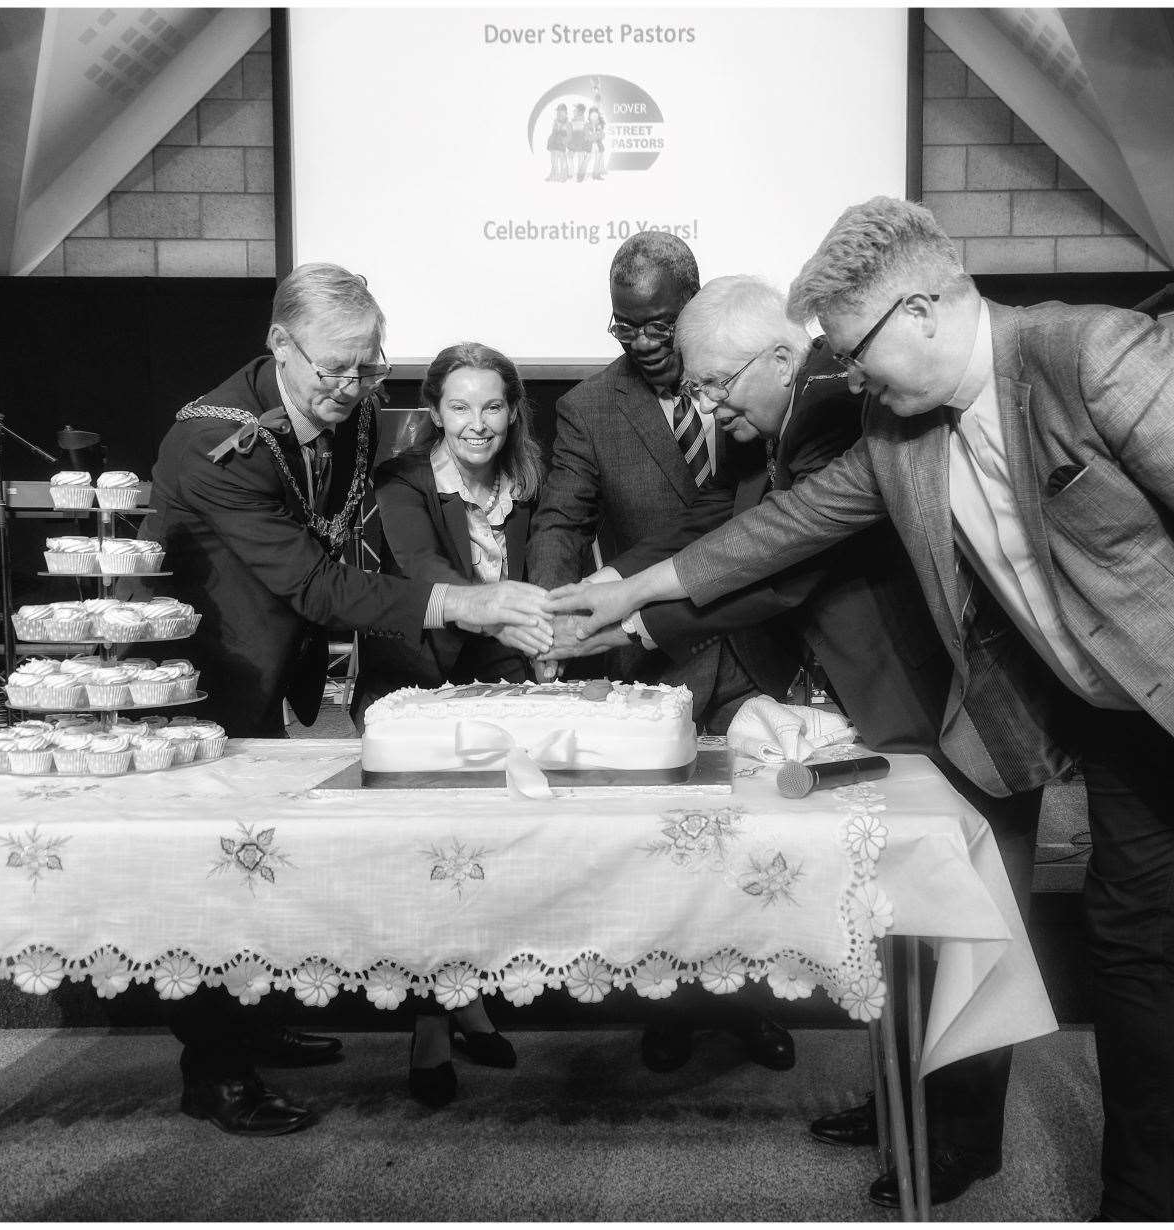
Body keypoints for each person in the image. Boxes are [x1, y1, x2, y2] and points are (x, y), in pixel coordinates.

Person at [548, 197, 1174, 1220]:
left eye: (857, 350)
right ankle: (1141, 1206)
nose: (851, 375)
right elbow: (786, 528)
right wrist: (637, 592)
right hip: (1122, 728)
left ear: (921, 309)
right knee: (1135, 961)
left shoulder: (1094, 352)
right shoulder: (896, 428)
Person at [547, 273, 1043, 1208]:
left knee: (973, 927)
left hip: (948, 706)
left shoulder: (831, 412)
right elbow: (714, 529)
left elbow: (783, 565)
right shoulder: (769, 419)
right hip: (871, 707)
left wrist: (636, 623)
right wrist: (607, 580)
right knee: (900, 923)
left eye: (717, 386)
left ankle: (962, 1138)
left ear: (779, 358)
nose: (708, 407)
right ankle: (905, 1096)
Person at [138, 263, 552, 1135]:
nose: (352, 387)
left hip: (269, 654)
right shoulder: (211, 446)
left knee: (253, 865)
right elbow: (315, 580)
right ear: (279, 345)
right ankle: (213, 1072)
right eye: (332, 367)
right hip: (207, 670)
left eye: (368, 366)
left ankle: (252, 1025)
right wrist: (458, 599)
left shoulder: (348, 398)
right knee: (213, 874)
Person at [526, 233, 798, 1075]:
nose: (645, 344)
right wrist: (550, 611)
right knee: (669, 853)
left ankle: (755, 1003)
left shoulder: (748, 383)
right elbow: (562, 521)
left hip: (756, 643)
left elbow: (740, 521)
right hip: (652, 662)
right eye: (625, 326)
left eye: (660, 326)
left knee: (757, 843)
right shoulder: (588, 409)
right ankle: (671, 1005)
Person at [348, 341, 552, 1108]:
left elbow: (546, 569)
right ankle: (431, 1024)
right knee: (426, 864)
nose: (478, 424)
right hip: (418, 687)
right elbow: (423, 572)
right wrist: (511, 616)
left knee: (487, 857)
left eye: (493, 406)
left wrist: (546, 636)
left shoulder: (531, 481)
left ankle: (462, 998)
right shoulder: (400, 481)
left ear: (513, 410)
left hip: (500, 686)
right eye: (460, 407)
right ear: (435, 412)